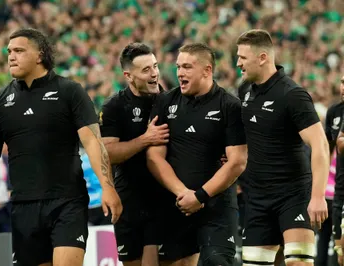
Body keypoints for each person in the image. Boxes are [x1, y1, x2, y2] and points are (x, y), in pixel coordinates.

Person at [0, 28, 123, 266]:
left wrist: (108, 186)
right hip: (23, 205)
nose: (11, 56)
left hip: (67, 201)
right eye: (9, 51)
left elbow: (93, 142)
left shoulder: (69, 91)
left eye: (19, 51)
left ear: (40, 54)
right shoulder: (0, 101)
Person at [147, 43, 248, 266]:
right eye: (178, 67)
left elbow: (238, 161)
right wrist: (184, 194)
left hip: (217, 208)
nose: (180, 73)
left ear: (207, 70)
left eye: (187, 67)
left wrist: (200, 196)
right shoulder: (165, 102)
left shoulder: (229, 106)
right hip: (175, 205)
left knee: (217, 262)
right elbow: (154, 157)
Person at [236, 29, 329, 266]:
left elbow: (320, 144)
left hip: (293, 195)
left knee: (298, 263)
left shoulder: (293, 95)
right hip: (257, 197)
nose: (238, 63)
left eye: (243, 58)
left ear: (263, 57)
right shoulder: (244, 91)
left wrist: (317, 196)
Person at [100, 42, 168, 266]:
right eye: (146, 70)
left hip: (163, 197)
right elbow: (108, 153)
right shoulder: (114, 107)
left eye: (155, 66)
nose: (154, 74)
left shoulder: (170, 101)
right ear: (129, 76)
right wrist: (145, 139)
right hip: (128, 198)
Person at [326, 75, 344, 265]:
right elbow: (329, 149)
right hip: (340, 190)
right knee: (341, 253)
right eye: (342, 82)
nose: (343, 87)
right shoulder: (334, 112)